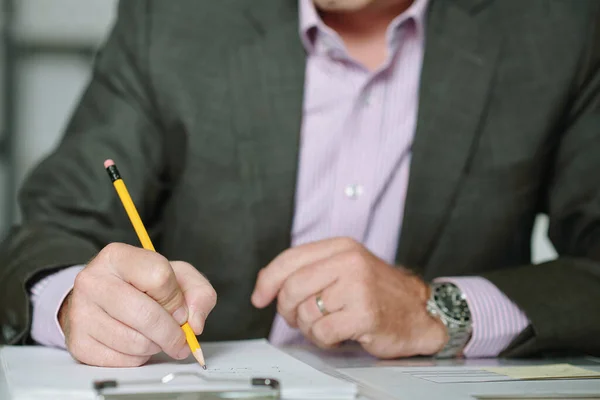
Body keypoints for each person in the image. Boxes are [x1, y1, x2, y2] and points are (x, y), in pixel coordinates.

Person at [1, 0, 599, 368]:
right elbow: (52, 226)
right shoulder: (174, 18)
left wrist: (438, 310)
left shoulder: (559, 29)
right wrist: (78, 301)